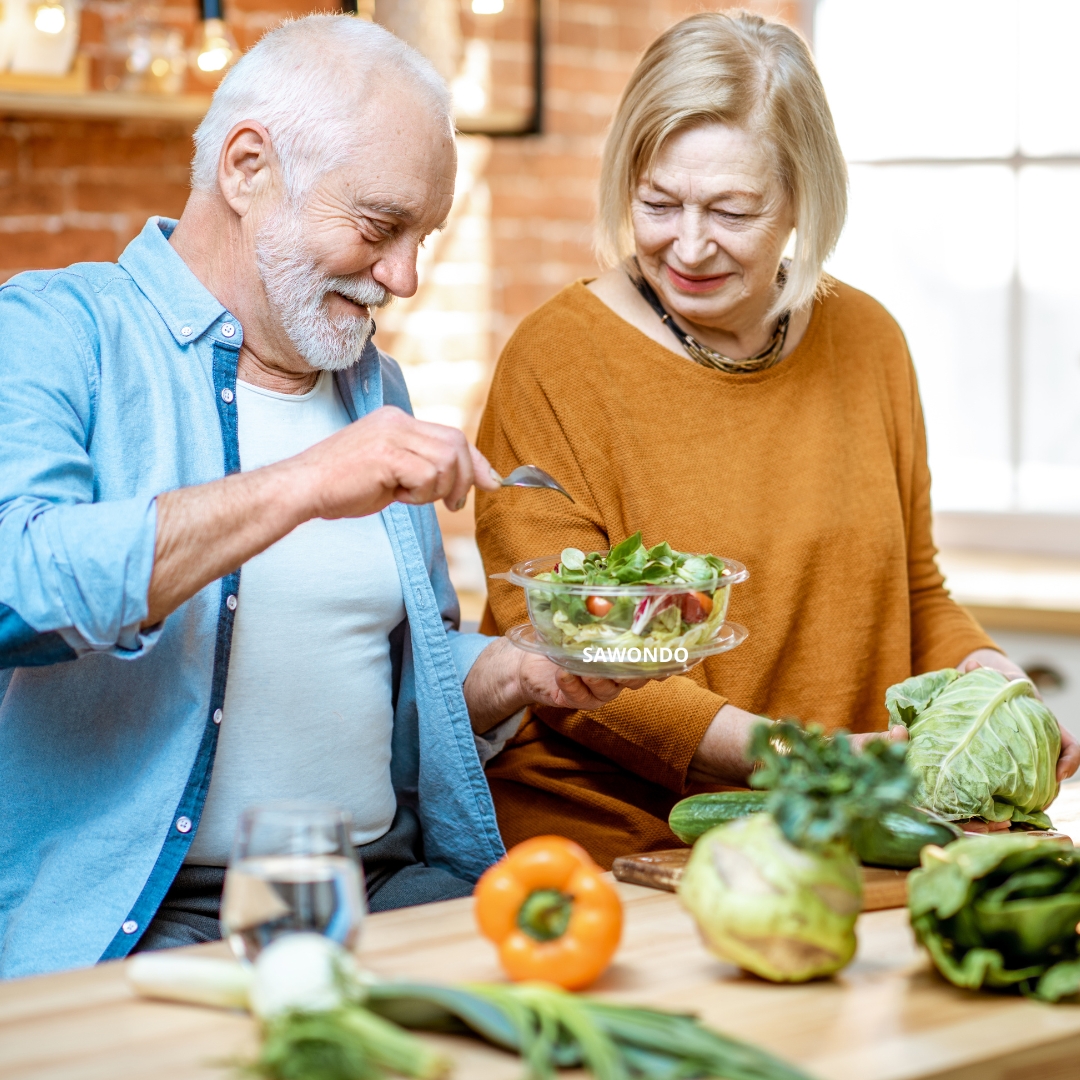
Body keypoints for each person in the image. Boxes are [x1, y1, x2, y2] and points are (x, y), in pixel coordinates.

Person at [0, 15, 641, 980]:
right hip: (150, 916)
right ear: (248, 167)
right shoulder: (56, 331)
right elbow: (16, 585)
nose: (405, 277)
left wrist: (520, 675)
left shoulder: (371, 390)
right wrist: (303, 484)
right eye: (382, 228)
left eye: (422, 238)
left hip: (381, 886)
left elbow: (383, 671)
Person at [474, 11, 1080, 869]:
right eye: (657, 203)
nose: (687, 245)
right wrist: (808, 760)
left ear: (803, 197)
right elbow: (563, 660)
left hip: (845, 834)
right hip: (627, 849)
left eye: (732, 209)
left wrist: (993, 686)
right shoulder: (554, 361)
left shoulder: (869, 340)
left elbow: (914, 588)